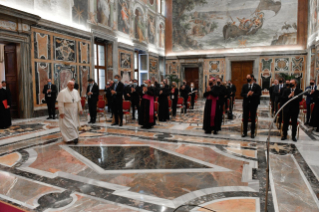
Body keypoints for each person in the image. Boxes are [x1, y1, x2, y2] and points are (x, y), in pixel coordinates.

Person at [241, 74, 261, 138]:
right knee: (245, 118)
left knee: (253, 118)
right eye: (247, 78)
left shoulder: (257, 86)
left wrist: (252, 94)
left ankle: (252, 133)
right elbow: (241, 94)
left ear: (252, 78)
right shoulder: (244, 86)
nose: (248, 79)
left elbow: (259, 94)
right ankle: (245, 132)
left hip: (253, 104)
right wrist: (247, 94)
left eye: (249, 78)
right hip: (246, 104)